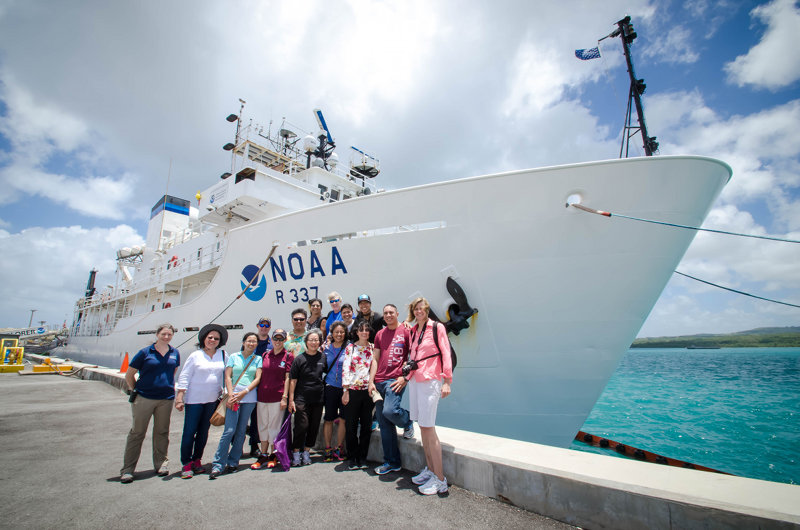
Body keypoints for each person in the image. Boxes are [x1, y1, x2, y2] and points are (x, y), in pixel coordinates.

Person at [120, 323, 180, 483]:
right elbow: (130, 374)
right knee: (137, 433)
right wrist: (136, 390)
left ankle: (161, 464)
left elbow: (172, 373)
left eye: (169, 334)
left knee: (162, 432)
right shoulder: (145, 352)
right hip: (144, 397)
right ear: (157, 334)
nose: (166, 337)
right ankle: (128, 469)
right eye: (164, 334)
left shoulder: (175, 353)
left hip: (165, 398)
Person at [406, 297, 453, 495]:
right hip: (416, 381)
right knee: (421, 426)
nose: (419, 312)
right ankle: (431, 470)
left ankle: (440, 479)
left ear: (427, 310)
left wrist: (447, 381)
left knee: (429, 428)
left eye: (422, 308)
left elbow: (445, 352)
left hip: (430, 380)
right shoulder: (414, 330)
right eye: (415, 309)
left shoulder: (437, 328)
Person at [174, 324, 227, 479]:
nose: (212, 340)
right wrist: (179, 397)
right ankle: (186, 463)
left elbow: (228, 374)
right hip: (194, 400)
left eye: (216, 338)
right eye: (210, 337)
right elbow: (184, 376)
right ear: (204, 338)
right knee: (190, 432)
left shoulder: (223, 355)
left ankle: (197, 460)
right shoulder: (195, 355)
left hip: (212, 400)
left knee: (204, 432)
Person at [369, 304, 414, 476]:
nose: (388, 315)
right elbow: (375, 358)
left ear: (397, 314)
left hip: (395, 379)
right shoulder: (380, 334)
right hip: (379, 381)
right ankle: (392, 462)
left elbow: (413, 356)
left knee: (391, 411)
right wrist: (371, 381)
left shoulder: (406, 331)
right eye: (385, 313)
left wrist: (406, 377)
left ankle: (408, 421)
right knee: (385, 425)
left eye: (391, 313)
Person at [210, 332, 262, 479]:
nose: (251, 344)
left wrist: (244, 392)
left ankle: (233, 461)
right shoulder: (234, 357)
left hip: (249, 397)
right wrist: (231, 394)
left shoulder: (258, 359)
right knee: (229, 430)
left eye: (254, 342)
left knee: (240, 432)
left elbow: (257, 378)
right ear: (244, 342)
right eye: (249, 341)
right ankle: (218, 464)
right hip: (233, 397)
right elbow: (228, 376)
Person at [251, 329, 293, 470]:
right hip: (262, 396)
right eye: (276, 339)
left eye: (281, 339)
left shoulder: (288, 356)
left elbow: (288, 378)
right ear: (271, 340)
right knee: (262, 425)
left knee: (274, 426)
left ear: (284, 341)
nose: (278, 342)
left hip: (277, 396)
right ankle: (263, 454)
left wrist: (284, 397)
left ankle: (273, 454)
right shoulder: (265, 355)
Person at [288, 329, 327, 467]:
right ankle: (296, 452)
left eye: (316, 340)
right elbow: (293, 380)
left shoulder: (323, 357)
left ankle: (307, 451)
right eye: (311, 340)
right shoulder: (299, 359)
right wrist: (291, 400)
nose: (314, 342)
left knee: (314, 426)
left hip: (318, 398)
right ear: (306, 342)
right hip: (301, 398)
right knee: (301, 425)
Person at [342, 321, 375, 468]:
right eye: (361, 330)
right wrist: (346, 391)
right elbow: (346, 369)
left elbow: (375, 366)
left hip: (367, 391)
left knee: (366, 426)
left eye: (367, 330)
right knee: (351, 426)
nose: (364, 332)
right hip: (353, 391)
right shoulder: (351, 348)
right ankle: (351, 457)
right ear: (356, 332)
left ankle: (362, 457)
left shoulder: (373, 348)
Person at [321, 321, 348, 462]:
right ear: (332, 333)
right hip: (330, 386)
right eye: (336, 332)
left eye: (341, 332)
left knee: (343, 418)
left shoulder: (349, 348)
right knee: (329, 419)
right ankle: (327, 447)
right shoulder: (326, 349)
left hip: (344, 388)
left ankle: (339, 447)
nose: (339, 334)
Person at [248, 317, 272, 457]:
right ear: (258, 326)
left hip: (265, 383)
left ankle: (254, 444)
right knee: (246, 416)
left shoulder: (272, 343)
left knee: (258, 417)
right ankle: (237, 442)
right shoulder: (252, 342)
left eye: (266, 325)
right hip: (250, 383)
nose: (264, 327)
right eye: (261, 325)